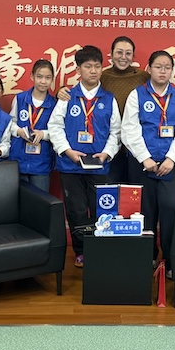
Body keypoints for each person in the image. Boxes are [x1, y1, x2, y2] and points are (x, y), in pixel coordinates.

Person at [57, 36, 175, 183]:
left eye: (128, 53)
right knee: (110, 191)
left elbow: (162, 91)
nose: (123, 57)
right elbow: (84, 90)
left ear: (133, 56)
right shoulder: (102, 75)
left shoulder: (143, 77)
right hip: (107, 146)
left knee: (133, 192)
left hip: (136, 148)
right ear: (111, 55)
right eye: (119, 52)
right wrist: (60, 91)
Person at [48, 45, 121, 268]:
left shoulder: (109, 99)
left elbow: (116, 131)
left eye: (97, 66)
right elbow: (54, 126)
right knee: (76, 209)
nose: (93, 71)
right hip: (70, 165)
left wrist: (107, 153)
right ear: (78, 69)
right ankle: (81, 251)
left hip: (99, 165)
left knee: (100, 209)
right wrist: (67, 151)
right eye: (88, 66)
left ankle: (99, 249)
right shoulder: (67, 96)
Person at [121, 51, 175, 277]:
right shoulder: (137, 95)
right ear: (149, 68)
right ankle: (147, 256)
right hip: (142, 164)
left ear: (172, 71)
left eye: (167, 67)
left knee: (172, 210)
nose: (163, 71)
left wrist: (171, 159)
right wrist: (145, 158)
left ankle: (171, 261)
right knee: (144, 212)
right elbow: (129, 129)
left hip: (170, 164)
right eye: (158, 67)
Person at [9, 59, 56, 192]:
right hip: (18, 160)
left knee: (40, 201)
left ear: (52, 79)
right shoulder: (20, 98)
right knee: (18, 201)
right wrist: (19, 131)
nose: (43, 81)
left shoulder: (54, 104)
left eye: (48, 78)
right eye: (39, 77)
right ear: (32, 76)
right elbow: (10, 124)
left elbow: (58, 131)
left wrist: (44, 134)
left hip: (41, 163)